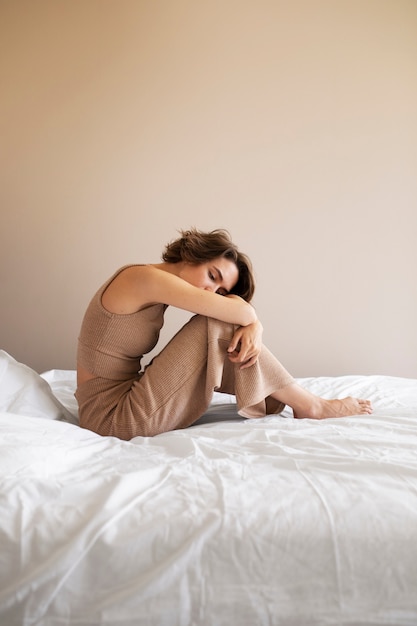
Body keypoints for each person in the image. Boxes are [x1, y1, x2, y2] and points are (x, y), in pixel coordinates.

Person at [76, 228, 372, 440]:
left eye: (220, 290)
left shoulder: (151, 283)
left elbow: (232, 312)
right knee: (213, 323)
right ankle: (312, 406)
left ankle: (292, 399)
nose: (211, 291)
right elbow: (237, 314)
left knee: (218, 323)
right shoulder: (142, 278)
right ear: (193, 254)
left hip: (123, 398)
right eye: (212, 276)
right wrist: (254, 324)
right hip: (111, 417)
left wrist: (250, 323)